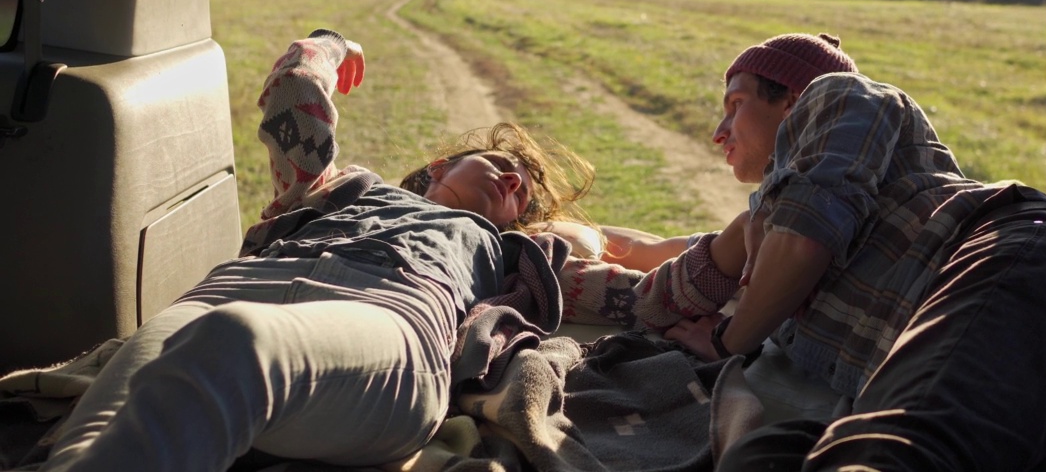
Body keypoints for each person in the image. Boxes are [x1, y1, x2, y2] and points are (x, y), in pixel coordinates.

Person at [40, 29, 744, 472]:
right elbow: (292, 96)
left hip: (387, 331)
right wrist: (332, 43)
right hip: (229, 292)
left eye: (526, 190)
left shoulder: (520, 254)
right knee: (90, 439)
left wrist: (754, 236)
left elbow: (658, 293)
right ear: (437, 169)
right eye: (495, 162)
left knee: (233, 345)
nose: (514, 179)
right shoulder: (342, 188)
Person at [660, 32, 1046, 471]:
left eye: (735, 104)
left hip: (1018, 257)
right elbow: (669, 256)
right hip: (1038, 367)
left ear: (792, 99)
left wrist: (727, 341)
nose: (718, 132)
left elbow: (802, 242)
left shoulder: (837, 95)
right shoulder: (769, 226)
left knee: (896, 454)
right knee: (767, 456)